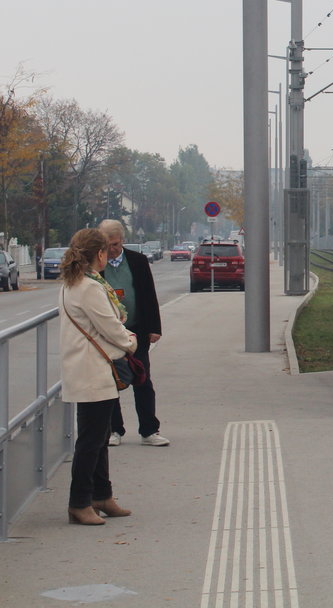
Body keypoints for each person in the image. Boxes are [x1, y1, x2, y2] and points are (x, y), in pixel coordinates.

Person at [59, 227, 138, 525]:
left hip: (87, 369)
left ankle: (102, 496)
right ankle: (79, 502)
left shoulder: (75, 282)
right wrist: (132, 341)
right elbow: (110, 327)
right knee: (92, 440)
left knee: (100, 436)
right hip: (92, 371)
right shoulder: (90, 287)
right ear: (100, 253)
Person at [98, 219, 169, 447]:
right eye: (107, 245)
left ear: (122, 240)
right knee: (111, 382)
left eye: (115, 244)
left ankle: (149, 430)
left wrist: (154, 328)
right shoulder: (97, 266)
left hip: (137, 331)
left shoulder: (137, 261)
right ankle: (114, 430)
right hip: (108, 334)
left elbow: (149, 295)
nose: (111, 250)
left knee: (142, 379)